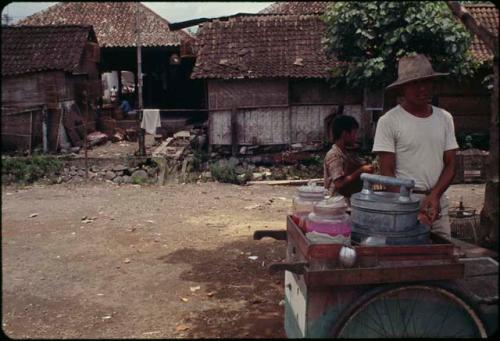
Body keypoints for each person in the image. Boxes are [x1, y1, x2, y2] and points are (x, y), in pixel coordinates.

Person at [372, 54, 459, 239]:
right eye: (414, 83)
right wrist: (411, 206)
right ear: (402, 89)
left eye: (426, 82)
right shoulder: (389, 121)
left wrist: (434, 196)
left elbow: (451, 164)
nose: (422, 89)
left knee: (444, 258)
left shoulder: (445, 118)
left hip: (438, 202)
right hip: (404, 203)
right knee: (410, 259)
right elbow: (387, 173)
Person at [324, 115, 374, 201]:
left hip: (348, 201)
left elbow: (356, 164)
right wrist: (361, 170)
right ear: (345, 134)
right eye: (354, 134)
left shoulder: (346, 152)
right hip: (336, 203)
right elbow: (339, 183)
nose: (355, 138)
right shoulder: (334, 155)